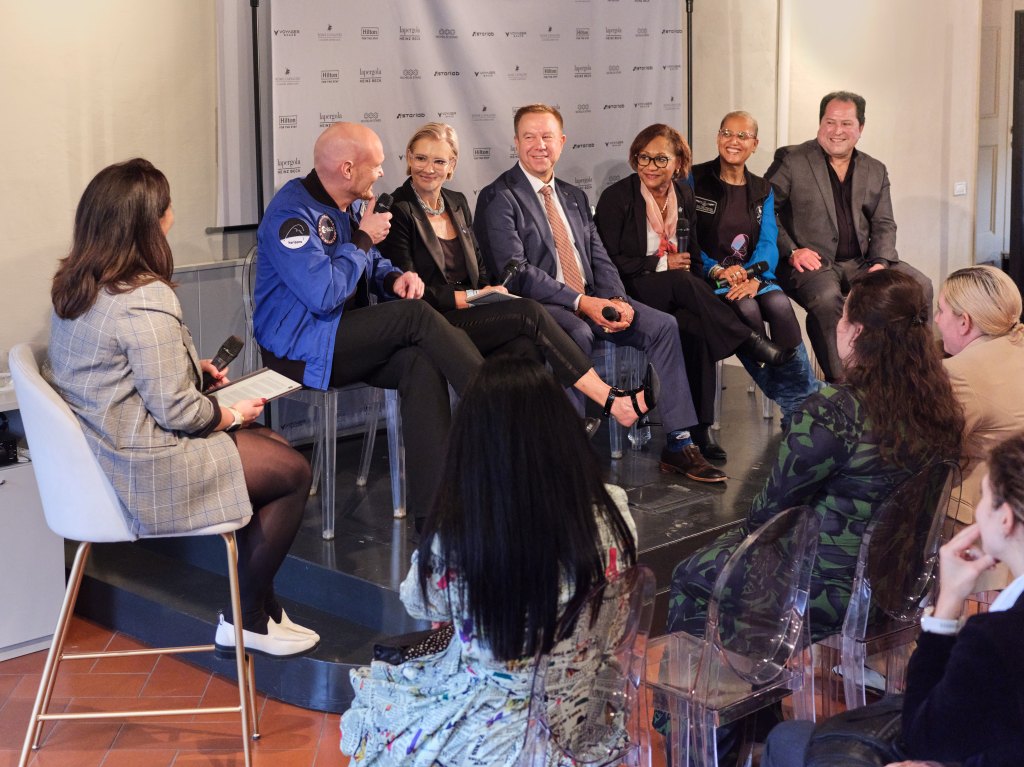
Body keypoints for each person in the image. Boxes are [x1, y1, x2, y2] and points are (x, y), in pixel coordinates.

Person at [47, 158, 317, 657]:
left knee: (274, 449)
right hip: (146, 465)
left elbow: (123, 369)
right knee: (294, 471)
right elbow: (179, 413)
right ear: (150, 222)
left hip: (111, 449)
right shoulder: (143, 296)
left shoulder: (78, 285)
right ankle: (247, 619)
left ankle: (261, 607)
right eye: (168, 208)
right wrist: (231, 413)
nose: (174, 216)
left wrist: (193, 371)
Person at [339, 356, 639, 766]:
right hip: (584, 715)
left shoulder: (463, 536)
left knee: (375, 700)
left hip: (496, 735)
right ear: (563, 433)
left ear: (474, 445)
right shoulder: (615, 512)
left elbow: (419, 602)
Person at [667, 270, 963, 642]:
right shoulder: (940, 407)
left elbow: (768, 514)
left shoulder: (835, 412)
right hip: (903, 581)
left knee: (689, 575)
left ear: (856, 332)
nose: (837, 325)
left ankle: (750, 695)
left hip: (825, 590)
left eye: (842, 316)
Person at [475, 103, 725, 483]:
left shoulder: (574, 196)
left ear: (561, 142)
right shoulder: (499, 197)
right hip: (541, 307)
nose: (539, 145)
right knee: (576, 333)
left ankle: (678, 442)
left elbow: (599, 255)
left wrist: (616, 300)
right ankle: (570, 450)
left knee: (662, 326)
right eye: (529, 137)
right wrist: (581, 303)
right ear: (515, 142)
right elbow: (517, 272)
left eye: (547, 137)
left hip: (593, 298)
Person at [253, 122, 484, 529]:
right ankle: (499, 410)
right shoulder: (292, 215)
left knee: (420, 363)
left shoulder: (348, 204)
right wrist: (361, 238)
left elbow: (370, 265)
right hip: (299, 350)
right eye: (375, 166)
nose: (381, 173)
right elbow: (323, 294)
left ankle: (436, 517)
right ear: (347, 169)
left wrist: (394, 276)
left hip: (342, 336)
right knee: (414, 317)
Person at [762, 431, 1024, 767]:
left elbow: (923, 738)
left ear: (1005, 520)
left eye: (983, 496)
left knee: (787, 740)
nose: (977, 509)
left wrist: (946, 606)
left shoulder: (995, 637)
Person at [379, 122, 654, 433]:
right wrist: (465, 299)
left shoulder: (457, 202)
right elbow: (404, 288)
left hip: (471, 312)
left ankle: (527, 439)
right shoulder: (397, 209)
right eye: (420, 158)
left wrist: (489, 290)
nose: (428, 168)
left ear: (452, 165)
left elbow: (479, 270)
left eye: (439, 161)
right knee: (529, 311)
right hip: (433, 320)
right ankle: (609, 402)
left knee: (526, 347)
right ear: (408, 158)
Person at [594, 122, 795, 459]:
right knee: (683, 279)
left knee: (697, 326)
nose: (650, 167)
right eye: (643, 158)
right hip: (633, 288)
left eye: (660, 160)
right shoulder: (617, 198)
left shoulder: (684, 194)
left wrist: (713, 273)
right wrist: (661, 265)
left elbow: (695, 254)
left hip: (681, 290)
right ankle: (749, 341)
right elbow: (609, 263)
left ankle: (699, 431)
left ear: (678, 163)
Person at [765, 90, 934, 383]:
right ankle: (841, 385)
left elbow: (884, 223)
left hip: (862, 261)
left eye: (846, 124)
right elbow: (764, 211)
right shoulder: (792, 160)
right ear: (820, 124)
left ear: (860, 128)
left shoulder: (875, 169)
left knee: (920, 285)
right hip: (812, 263)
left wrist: (880, 263)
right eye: (830, 122)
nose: (837, 131)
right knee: (828, 300)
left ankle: (915, 376)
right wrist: (792, 251)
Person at [691, 111, 820, 428]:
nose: (733, 141)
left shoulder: (763, 188)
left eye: (742, 136)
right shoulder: (695, 180)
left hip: (754, 273)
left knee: (778, 303)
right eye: (726, 133)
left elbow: (768, 240)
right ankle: (797, 401)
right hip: (711, 278)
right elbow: (689, 240)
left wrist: (752, 275)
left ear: (754, 145)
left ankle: (798, 400)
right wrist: (718, 271)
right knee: (746, 309)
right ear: (718, 137)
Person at [935, 265, 1024, 526]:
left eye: (941, 310)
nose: (937, 320)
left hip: (976, 518)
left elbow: (926, 452)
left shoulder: (958, 373)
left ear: (965, 322)